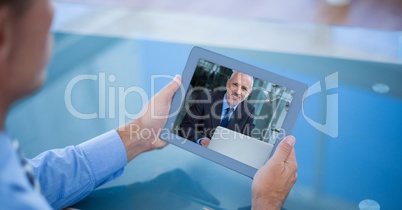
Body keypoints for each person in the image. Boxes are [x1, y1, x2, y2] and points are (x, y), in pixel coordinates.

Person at [0, 0, 297, 209]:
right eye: (45, 1)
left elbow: (36, 179)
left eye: (245, 89)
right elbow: (188, 128)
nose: (53, 15)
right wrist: (266, 204)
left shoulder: (7, 170)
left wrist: (139, 134)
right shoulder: (201, 100)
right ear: (3, 33)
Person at [179, 71, 255, 147]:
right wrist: (203, 141)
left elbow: (245, 143)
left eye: (244, 88)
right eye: (235, 84)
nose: (238, 92)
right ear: (228, 83)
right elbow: (185, 128)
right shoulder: (205, 98)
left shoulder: (249, 110)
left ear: (249, 93)